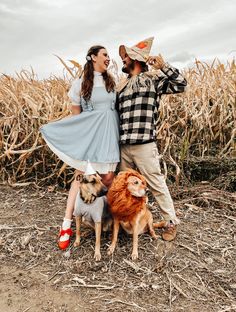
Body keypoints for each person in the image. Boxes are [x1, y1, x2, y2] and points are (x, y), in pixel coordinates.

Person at [40, 45, 119, 250]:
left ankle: (100, 222)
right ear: (93, 57)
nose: (108, 58)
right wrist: (80, 138)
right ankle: (67, 225)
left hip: (110, 133)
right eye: (104, 55)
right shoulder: (80, 84)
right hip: (91, 135)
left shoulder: (112, 81)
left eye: (109, 55)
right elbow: (77, 117)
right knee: (80, 177)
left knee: (108, 178)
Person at [117, 37, 187, 241]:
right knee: (127, 188)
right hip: (123, 146)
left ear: (135, 60)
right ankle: (133, 222)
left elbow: (181, 84)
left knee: (155, 183)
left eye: (126, 57)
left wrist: (164, 66)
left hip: (144, 145)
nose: (123, 60)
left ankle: (171, 222)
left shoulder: (153, 80)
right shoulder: (122, 86)